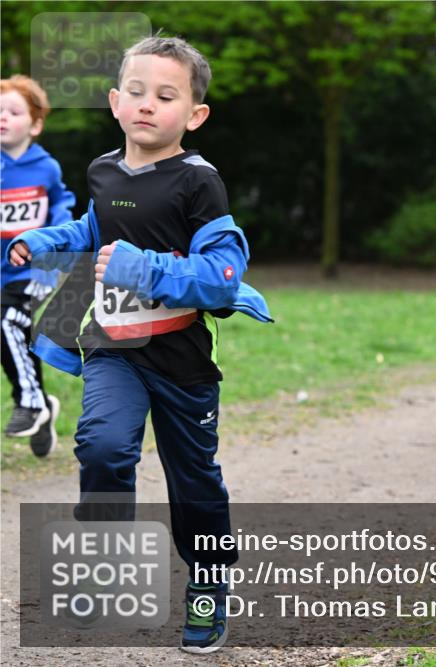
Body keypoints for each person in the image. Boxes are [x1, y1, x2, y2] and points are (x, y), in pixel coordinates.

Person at [8, 35, 273, 654]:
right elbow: (96, 228)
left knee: (195, 482)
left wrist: (144, 270)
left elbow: (221, 276)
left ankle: (208, 583)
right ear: (115, 102)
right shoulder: (104, 171)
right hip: (113, 348)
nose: (147, 104)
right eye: (136, 91)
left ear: (195, 114)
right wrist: (47, 241)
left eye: (165, 95)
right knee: (102, 446)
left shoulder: (199, 183)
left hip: (181, 361)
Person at [0, 76, 75, 454]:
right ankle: (42, 404)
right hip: (3, 273)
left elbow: (62, 202)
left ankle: (30, 404)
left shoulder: (46, 167)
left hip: (39, 268)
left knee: (8, 320)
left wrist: (59, 233)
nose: (3, 118)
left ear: (35, 124)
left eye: (13, 112)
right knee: (10, 329)